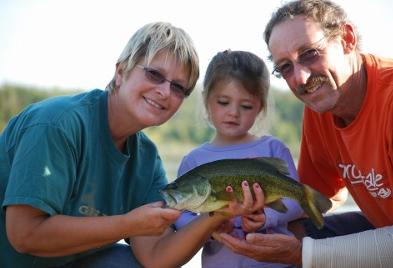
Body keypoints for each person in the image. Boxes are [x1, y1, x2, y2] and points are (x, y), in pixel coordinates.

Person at [0, 22, 265, 268]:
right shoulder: (57, 124)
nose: (164, 91)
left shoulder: (147, 159)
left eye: (178, 88)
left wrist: (218, 214)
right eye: (154, 74)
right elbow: (25, 234)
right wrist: (127, 224)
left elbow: (156, 256)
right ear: (120, 71)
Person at [214, 0, 393, 267]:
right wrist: (256, 215)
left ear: (347, 39)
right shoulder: (320, 107)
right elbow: (315, 198)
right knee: (277, 235)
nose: (301, 78)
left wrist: (302, 254)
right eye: (285, 67)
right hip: (383, 226)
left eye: (310, 53)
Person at [174, 49, 304, 268]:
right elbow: (180, 215)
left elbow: (298, 202)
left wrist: (267, 218)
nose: (233, 112)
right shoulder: (194, 161)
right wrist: (209, 227)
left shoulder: (273, 148)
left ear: (260, 107)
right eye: (223, 102)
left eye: (246, 106)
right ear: (207, 100)